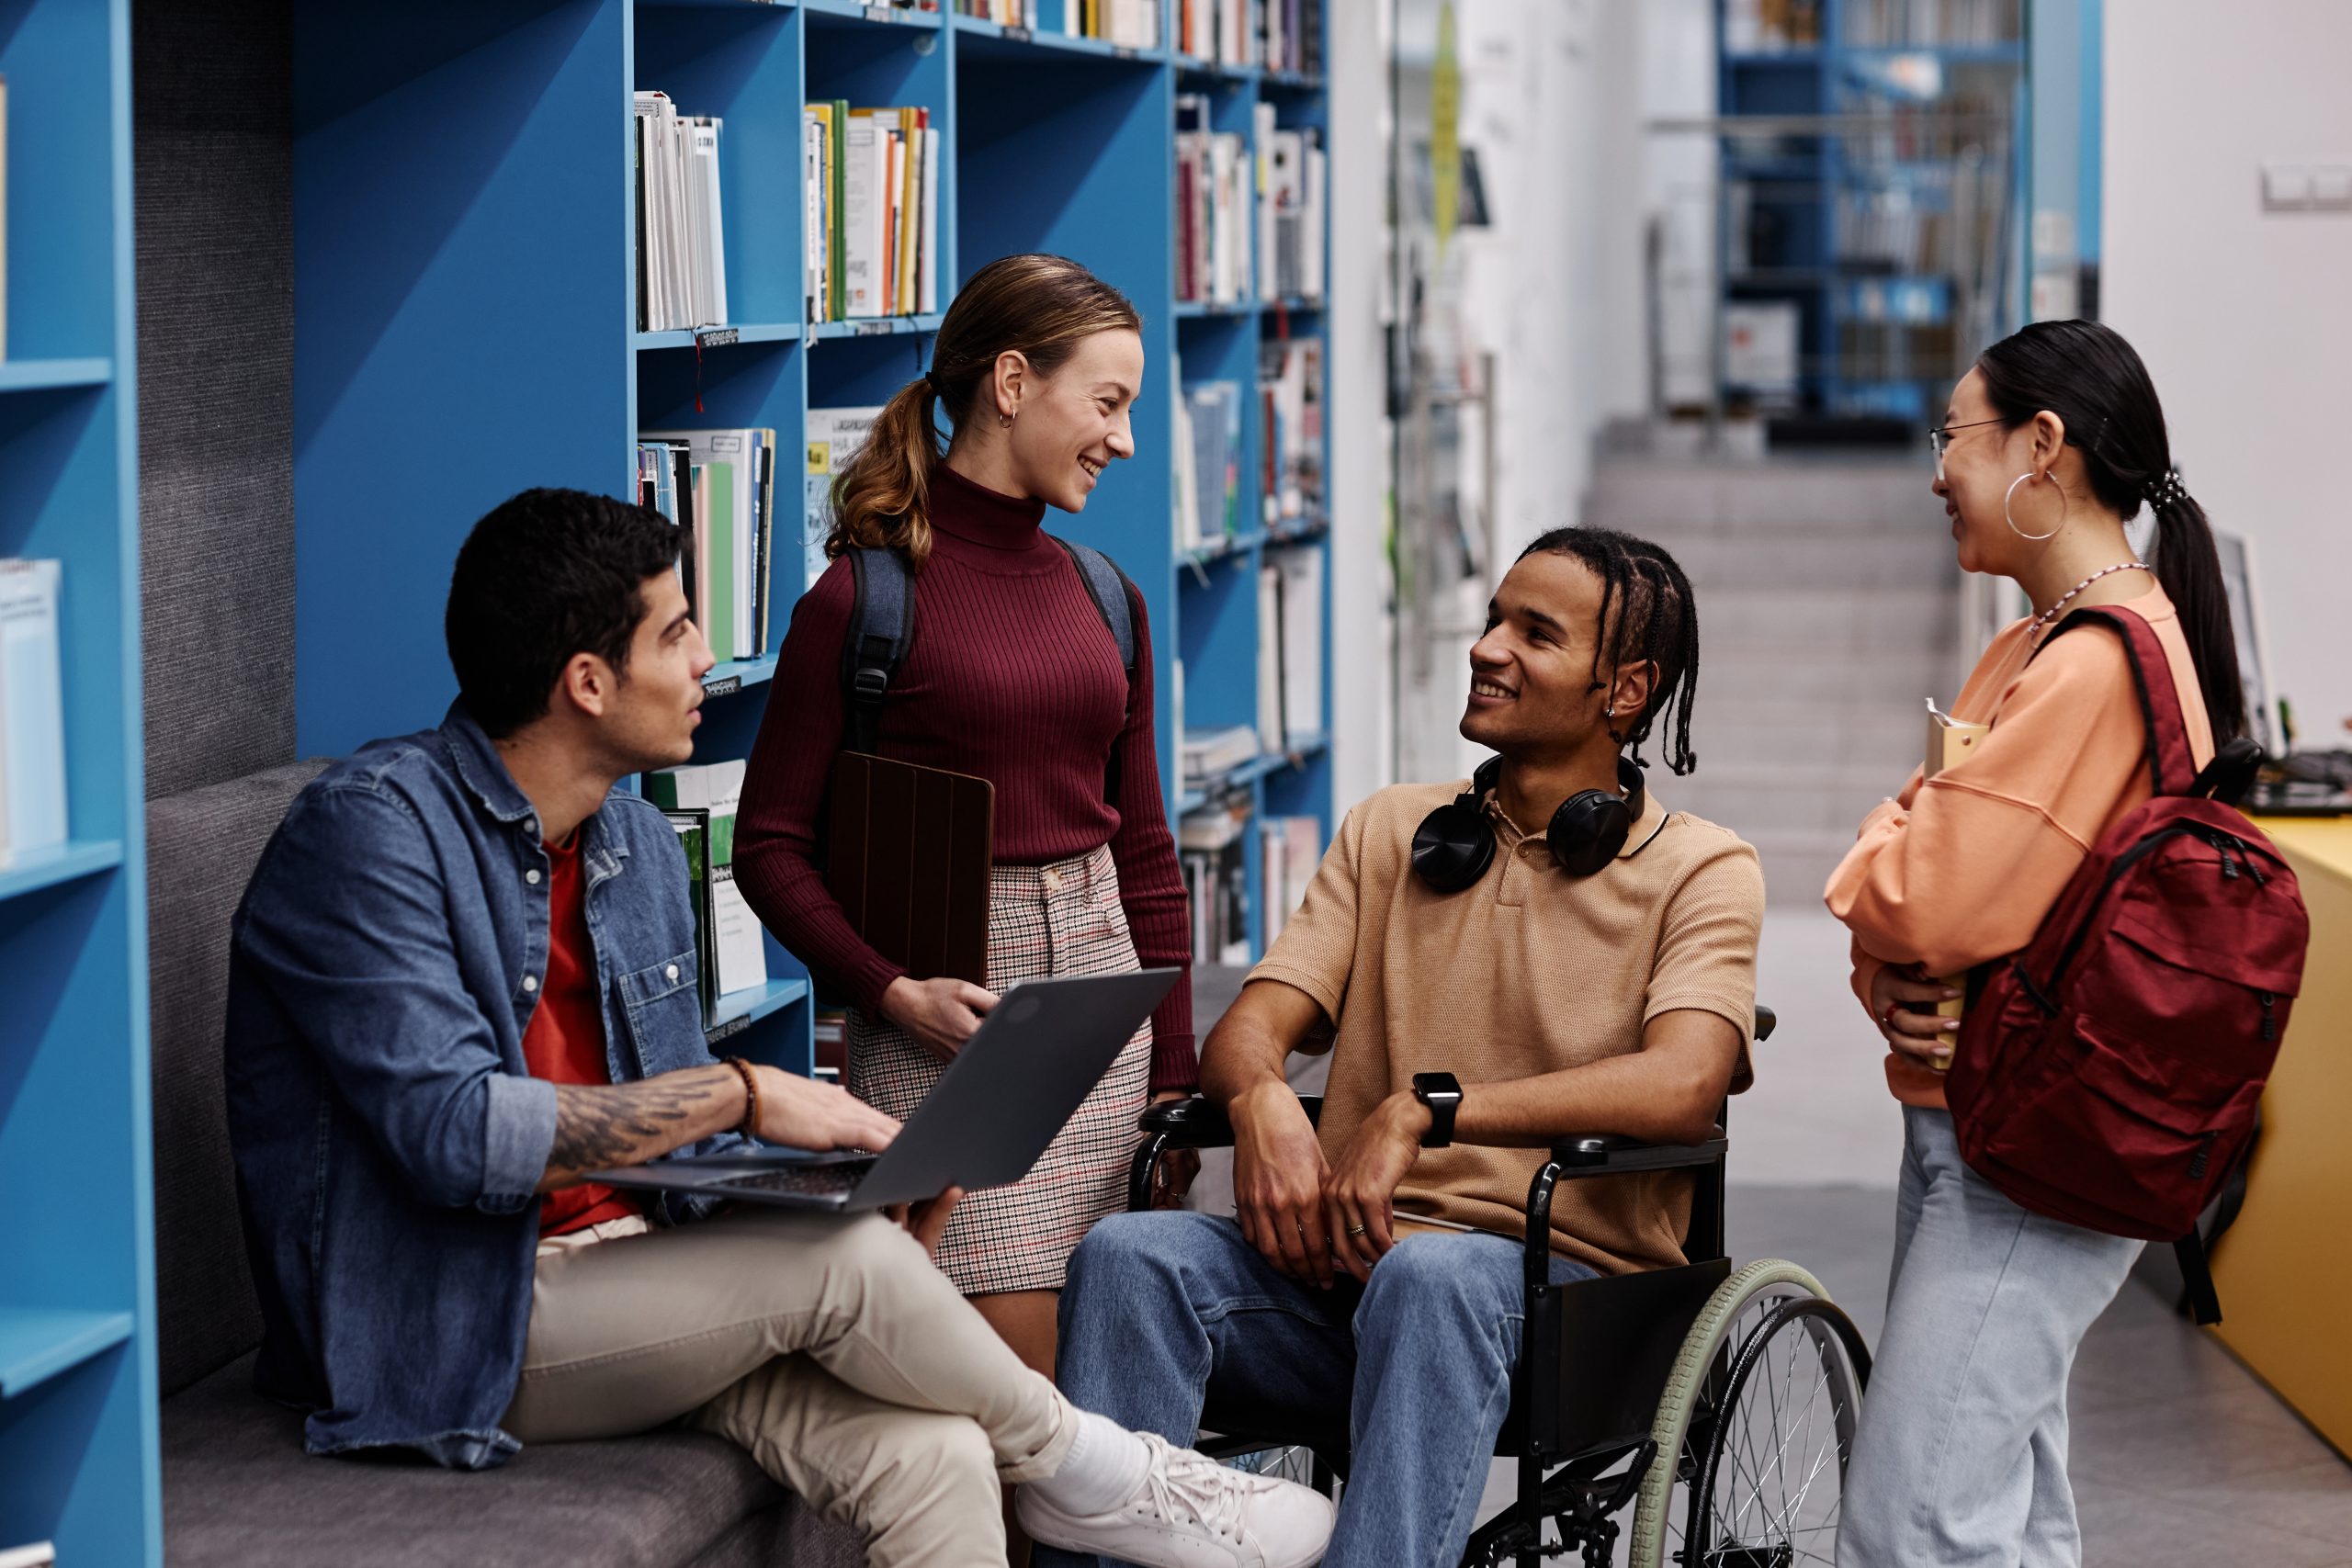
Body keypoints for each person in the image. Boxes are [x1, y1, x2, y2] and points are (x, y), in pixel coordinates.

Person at [222, 488, 1334, 1568]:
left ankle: (1069, 1471)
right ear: (588, 682)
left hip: (644, 1275)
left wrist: (833, 1181)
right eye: (678, 631)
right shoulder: (368, 839)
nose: (708, 658)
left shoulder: (635, 846)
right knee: (846, 1272)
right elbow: (452, 1136)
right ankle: (1093, 1469)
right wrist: (747, 1093)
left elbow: (674, 1150)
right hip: (451, 1317)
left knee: (938, 1455)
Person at [1039, 528, 1767, 1568]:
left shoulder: (1703, 869)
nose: (1488, 647)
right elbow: (1251, 1032)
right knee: (1129, 1257)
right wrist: (1261, 1111)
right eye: (1491, 619)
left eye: (1536, 633)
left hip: (1563, 1305)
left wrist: (1422, 1110)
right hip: (1337, 1278)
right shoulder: (1388, 832)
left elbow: (1684, 1083)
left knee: (1432, 1279)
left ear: (1626, 688)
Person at [736, 254, 1195, 1385]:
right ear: (1009, 382)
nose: (1122, 440)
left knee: (1106, 1385)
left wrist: (1173, 1080)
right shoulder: (861, 600)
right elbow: (768, 847)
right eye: (1108, 402)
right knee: (1012, 1396)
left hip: (1103, 1015)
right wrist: (890, 992)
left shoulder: (1106, 595)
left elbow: (1142, 848)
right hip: (947, 1032)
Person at [1826, 320, 2239, 1568]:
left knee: (1915, 1522)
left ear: (2040, 446)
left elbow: (1917, 889)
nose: (1937, 467)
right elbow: (1924, 910)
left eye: (1953, 434)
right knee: (2001, 1504)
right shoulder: (2046, 640)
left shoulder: (2091, 664)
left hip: (2025, 1163)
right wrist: (1899, 957)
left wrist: (1890, 877)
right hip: (1993, 1129)